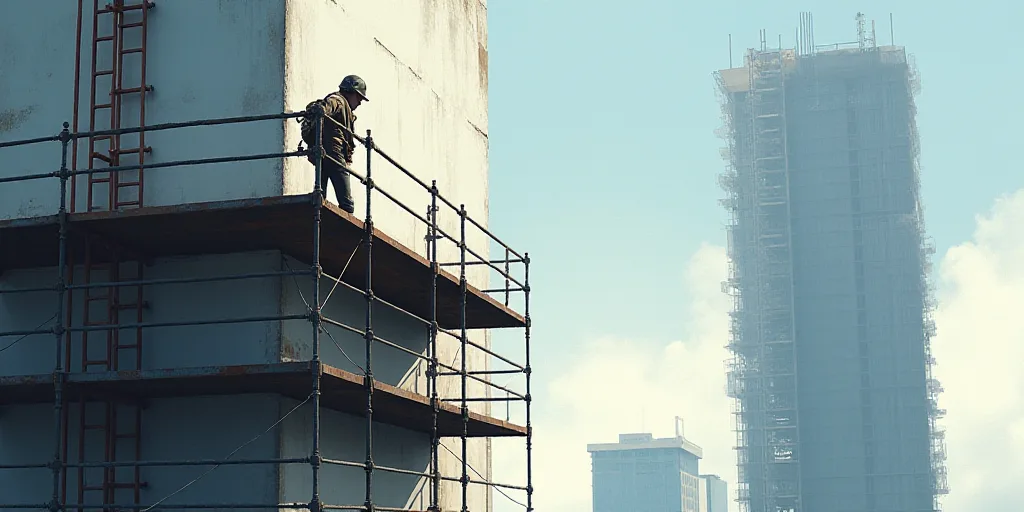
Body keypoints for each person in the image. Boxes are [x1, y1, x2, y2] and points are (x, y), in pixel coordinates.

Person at [300, 75, 369, 213]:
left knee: (320, 196)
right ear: (352, 92)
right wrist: (321, 110)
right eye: (359, 98)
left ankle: (319, 222)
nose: (360, 103)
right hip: (334, 154)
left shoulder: (344, 106)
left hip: (324, 153)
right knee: (347, 204)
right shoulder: (338, 100)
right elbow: (326, 107)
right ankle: (342, 231)